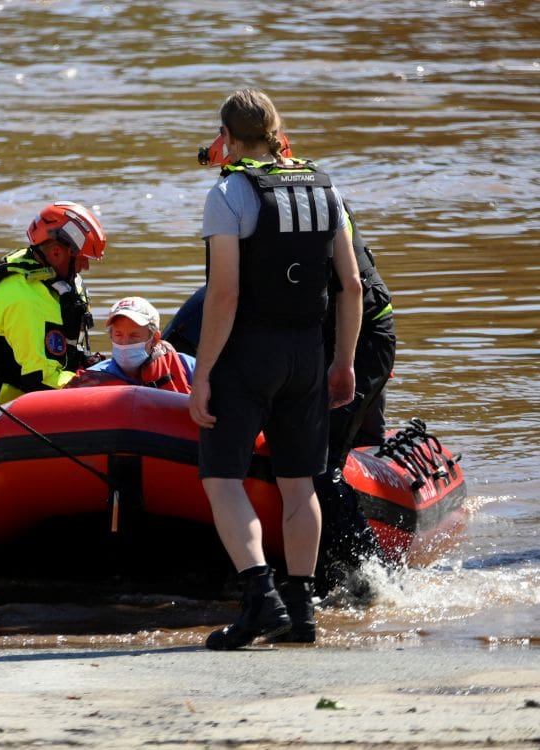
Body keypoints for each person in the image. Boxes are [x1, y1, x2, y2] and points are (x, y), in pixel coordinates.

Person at [188, 89, 363, 649]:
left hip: (248, 353)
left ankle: (261, 599)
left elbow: (225, 294)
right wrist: (343, 361)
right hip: (308, 351)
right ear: (276, 131)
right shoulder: (325, 187)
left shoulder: (229, 193)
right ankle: (302, 611)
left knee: (222, 478)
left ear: (227, 138)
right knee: (298, 482)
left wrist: (202, 373)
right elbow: (351, 285)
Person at [0, 201, 106, 424]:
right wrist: (98, 386)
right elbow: (41, 381)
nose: (85, 267)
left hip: (25, 396)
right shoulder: (26, 299)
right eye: (82, 259)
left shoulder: (45, 272)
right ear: (56, 252)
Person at [71, 296, 195, 392]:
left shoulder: (185, 365)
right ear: (111, 336)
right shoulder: (92, 379)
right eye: (118, 335)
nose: (125, 343)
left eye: (134, 336)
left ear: (155, 339)